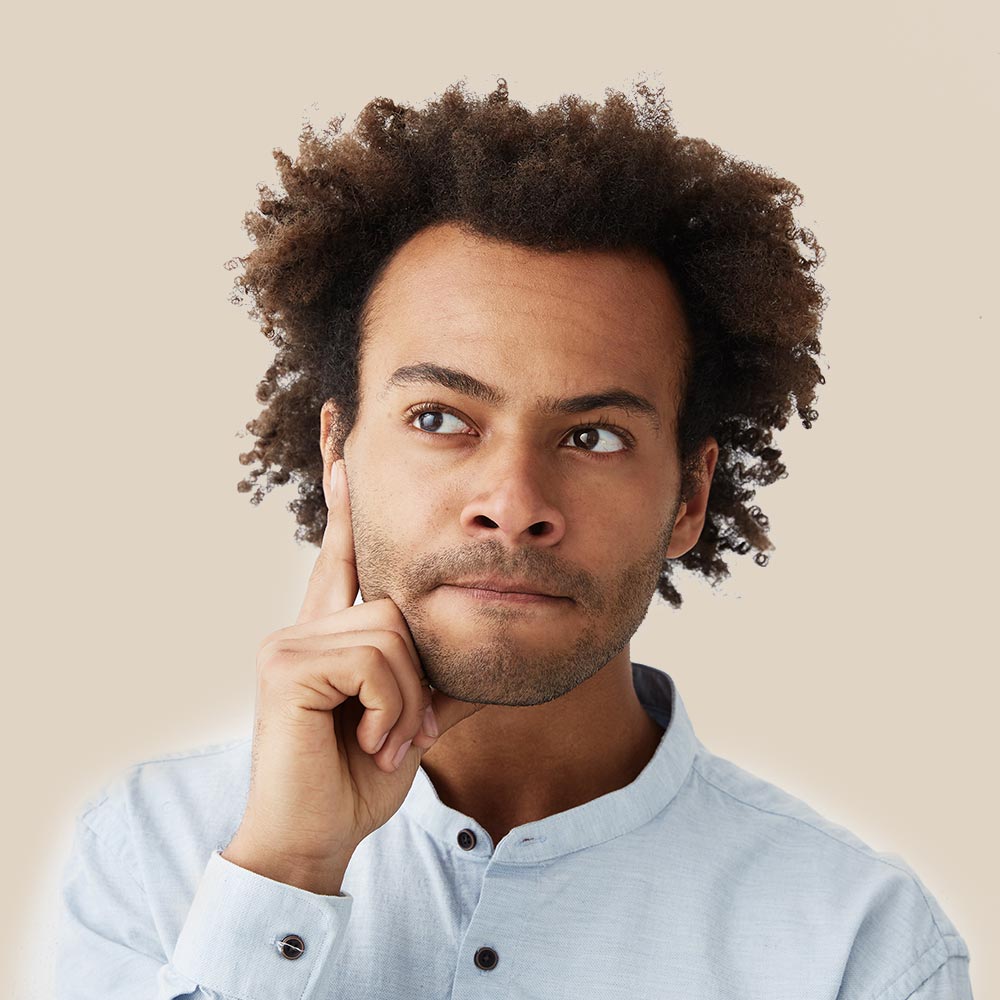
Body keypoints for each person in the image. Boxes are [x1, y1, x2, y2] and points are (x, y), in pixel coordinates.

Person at [54, 77, 974, 999]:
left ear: (691, 497)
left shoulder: (862, 947)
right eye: (441, 418)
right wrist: (287, 871)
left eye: (594, 436)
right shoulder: (151, 851)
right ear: (337, 453)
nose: (513, 502)